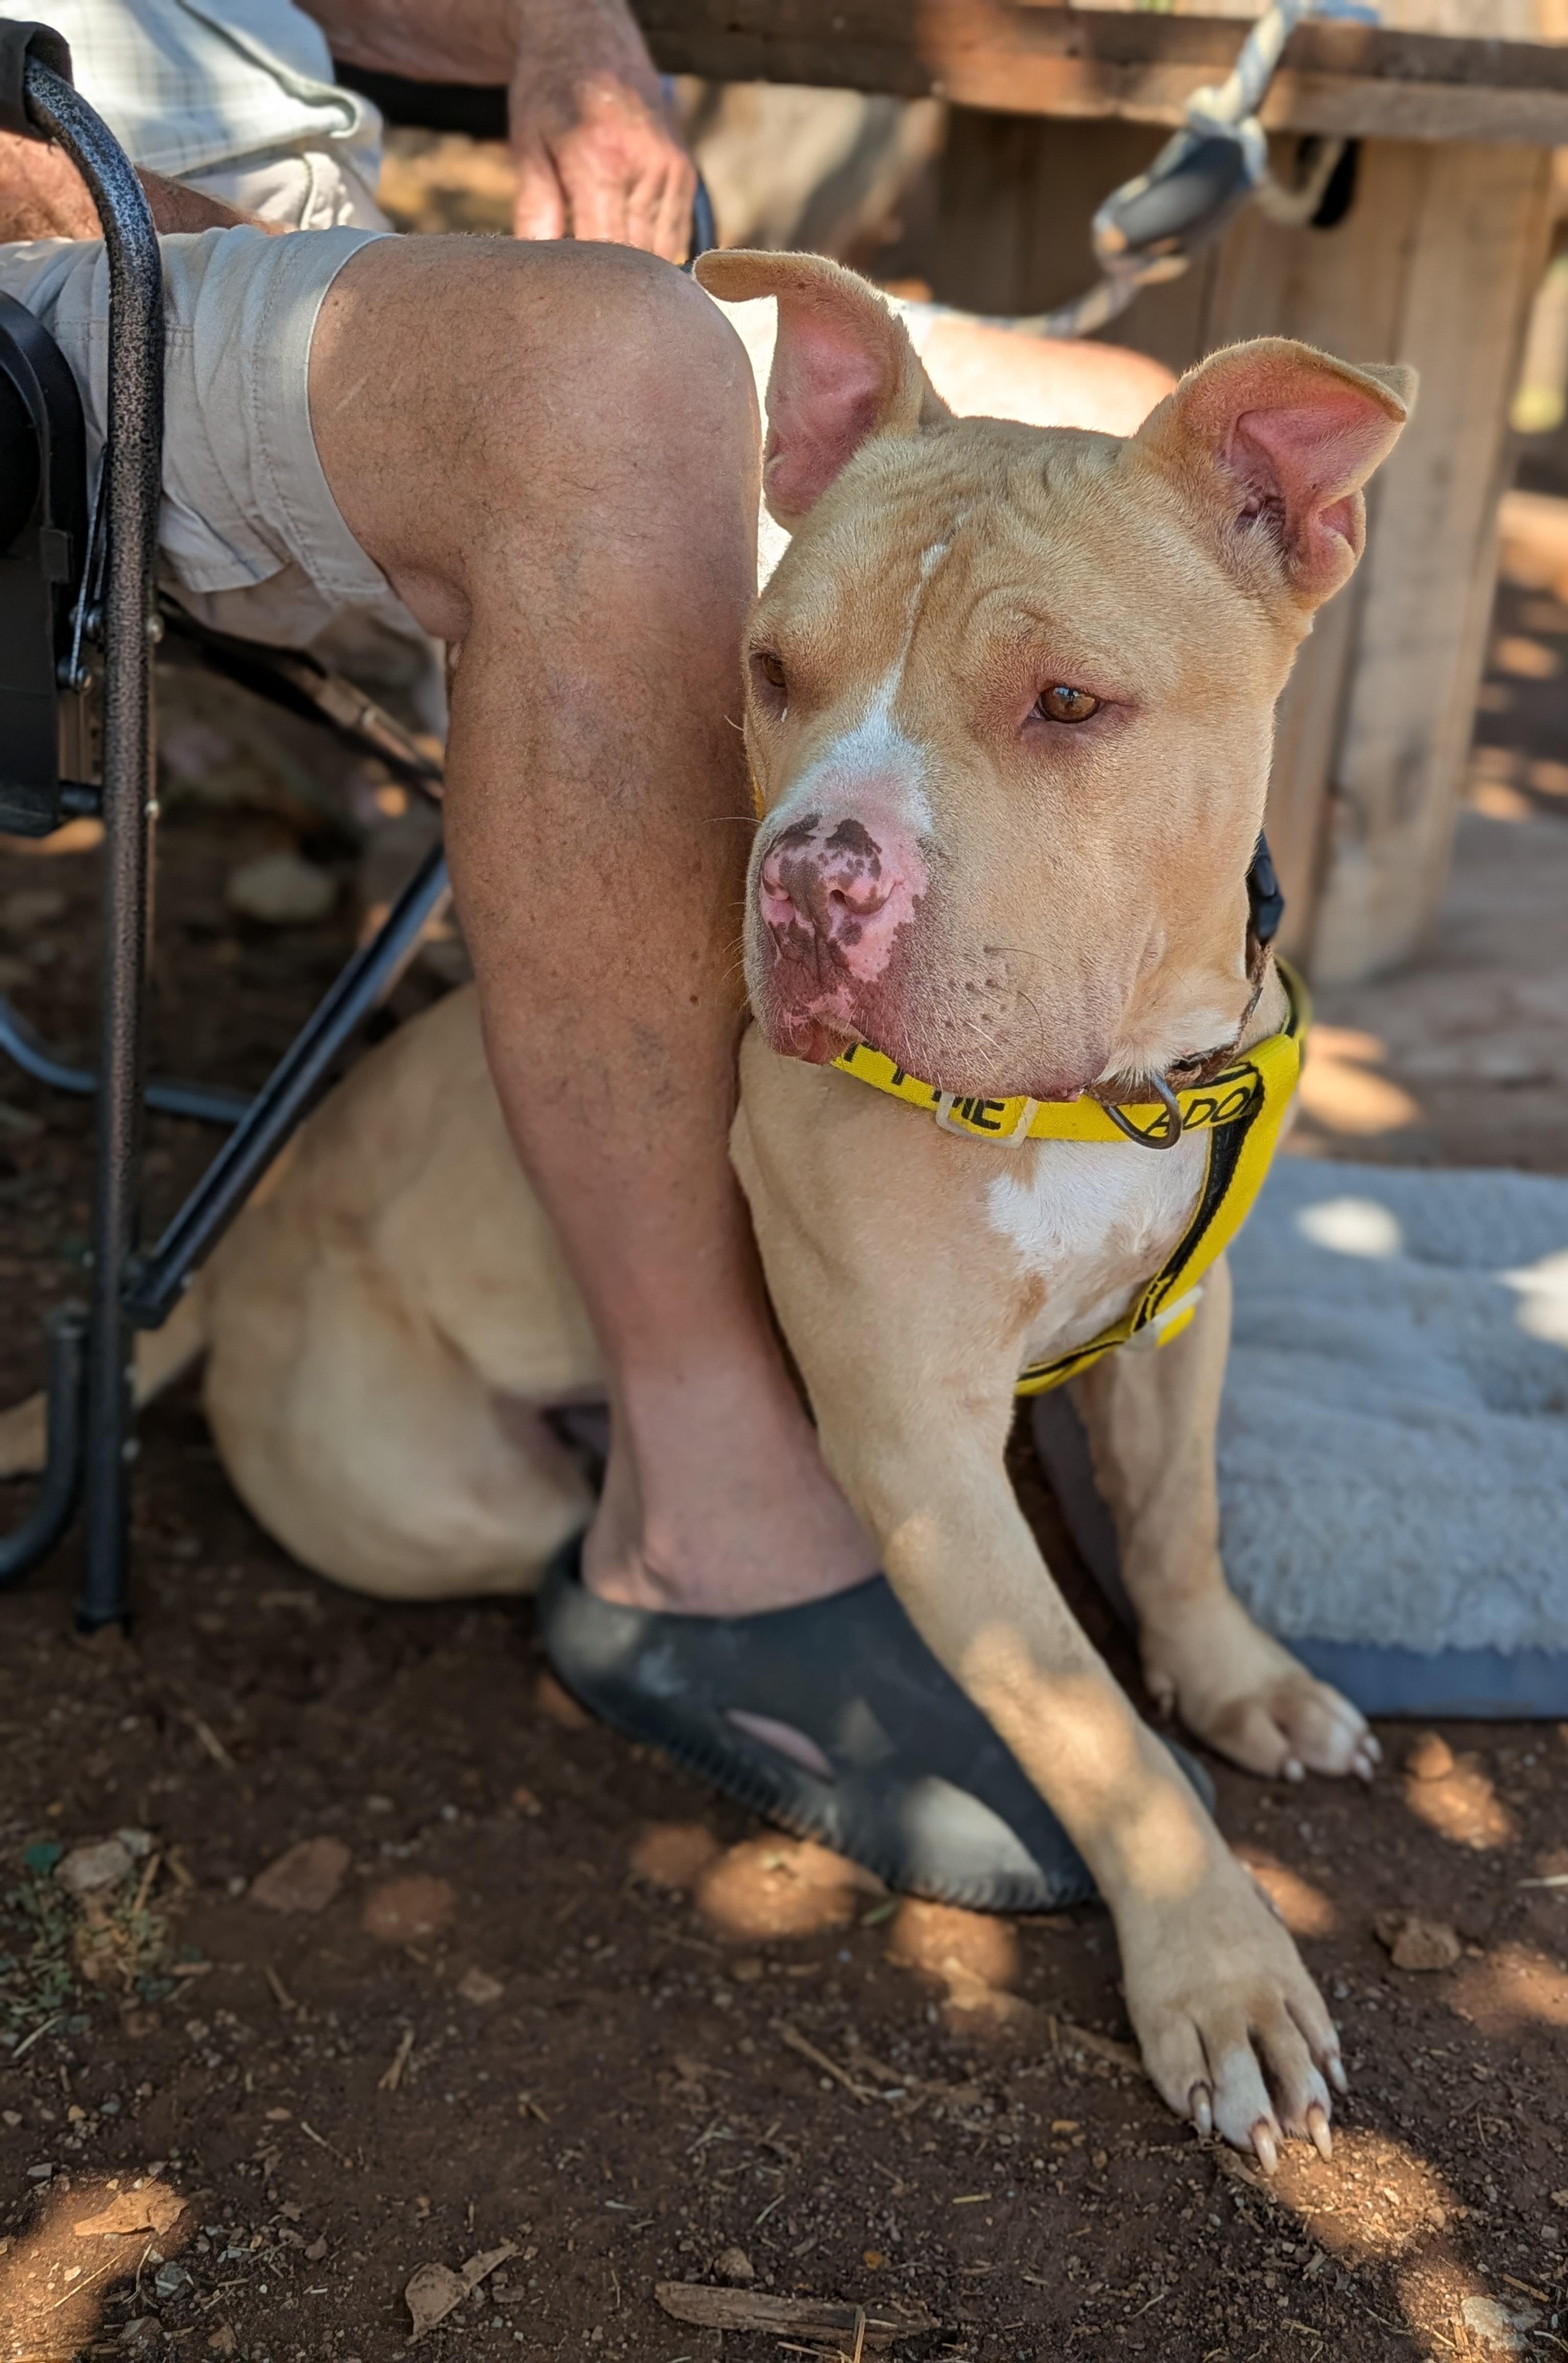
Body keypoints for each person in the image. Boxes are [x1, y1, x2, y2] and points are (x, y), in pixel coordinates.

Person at [0, 0, 1178, 1893]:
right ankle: (700, 1500)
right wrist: (137, 206)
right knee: (613, 378)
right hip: (64, 262)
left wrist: (565, 38)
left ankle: (1033, 1197)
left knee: (1147, 450)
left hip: (340, 242)